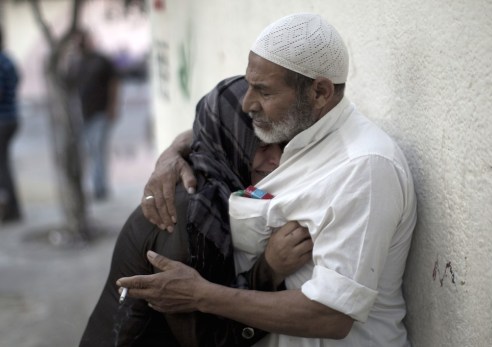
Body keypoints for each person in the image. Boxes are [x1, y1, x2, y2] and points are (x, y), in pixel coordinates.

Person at [124, 13, 418, 346]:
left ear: (320, 92)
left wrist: (200, 295)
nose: (248, 103)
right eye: (249, 85)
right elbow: (217, 127)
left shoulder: (364, 169)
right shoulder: (298, 131)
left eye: (263, 92)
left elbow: (331, 315)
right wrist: (172, 154)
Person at [79, 76, 312, 347]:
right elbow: (207, 340)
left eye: (281, 144)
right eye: (261, 147)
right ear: (230, 142)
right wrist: (268, 270)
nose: (277, 159)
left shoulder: (214, 171)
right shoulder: (187, 215)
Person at [72, 30, 119, 200]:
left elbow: (114, 83)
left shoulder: (101, 60)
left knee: (98, 150)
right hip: (86, 114)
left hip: (101, 112)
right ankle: (97, 185)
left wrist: (112, 107)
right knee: (91, 150)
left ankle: (100, 188)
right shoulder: (78, 62)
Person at [0, 26, 21, 223]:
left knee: (2, 166)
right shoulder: (8, 60)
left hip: (3, 119)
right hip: (11, 116)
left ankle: (11, 209)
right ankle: (11, 207)